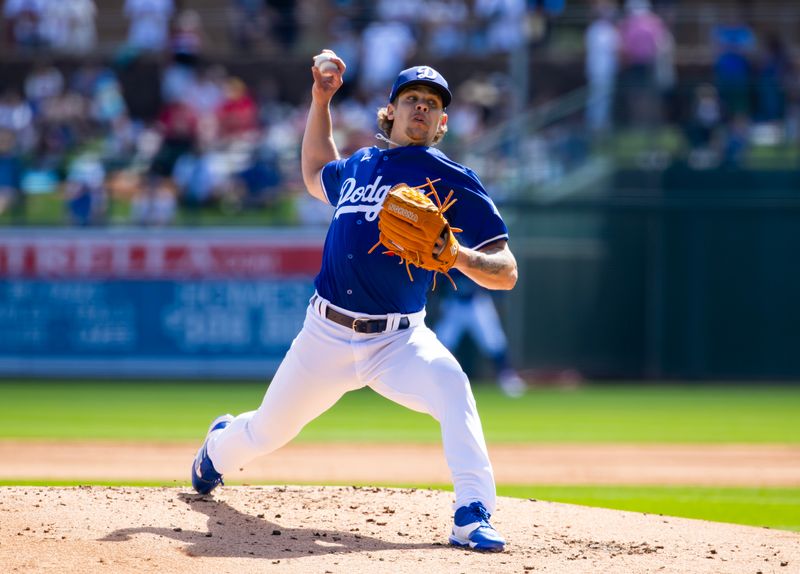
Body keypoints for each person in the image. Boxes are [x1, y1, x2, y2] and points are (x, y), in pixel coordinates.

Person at [190, 54, 518, 553]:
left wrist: (459, 255)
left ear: (443, 123)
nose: (422, 110)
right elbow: (315, 170)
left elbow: (507, 270)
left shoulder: (454, 178)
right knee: (263, 433)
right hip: (324, 335)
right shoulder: (362, 163)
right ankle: (216, 448)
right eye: (412, 100)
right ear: (390, 112)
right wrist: (321, 101)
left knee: (453, 385)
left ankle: (472, 513)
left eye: (432, 105)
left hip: (398, 339)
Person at [434, 270, 526, 398]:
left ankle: (506, 376)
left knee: (493, 341)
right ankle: (434, 378)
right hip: (454, 302)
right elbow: (438, 281)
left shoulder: (477, 250)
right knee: (441, 341)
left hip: (477, 302)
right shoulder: (444, 251)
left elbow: (493, 275)